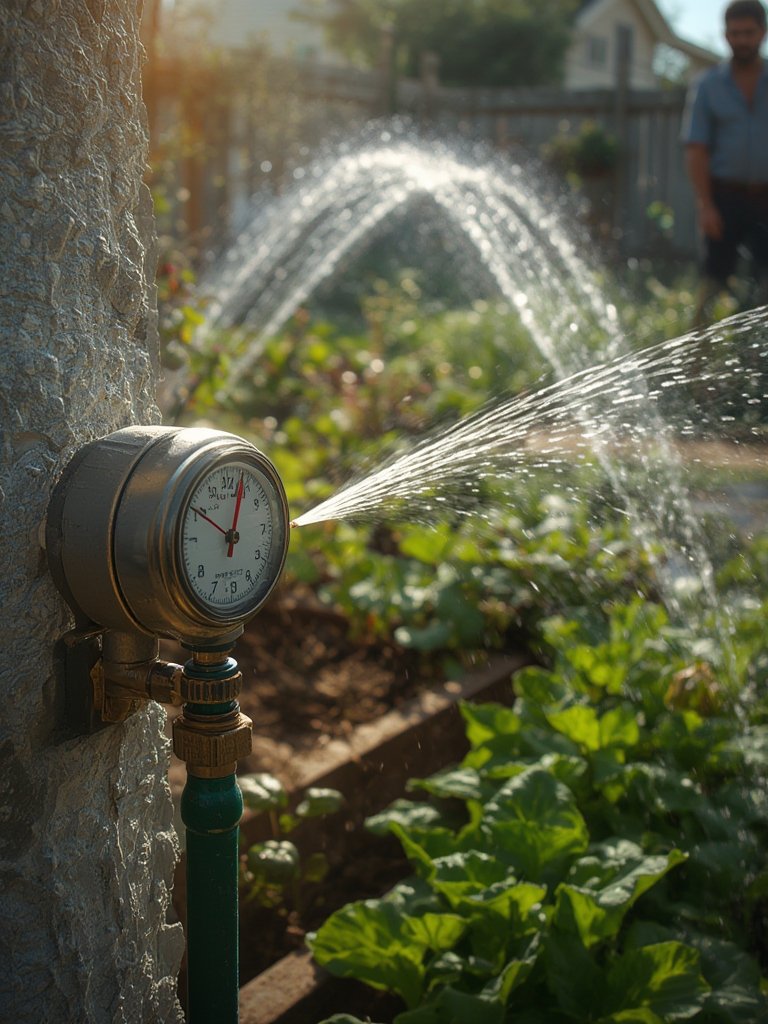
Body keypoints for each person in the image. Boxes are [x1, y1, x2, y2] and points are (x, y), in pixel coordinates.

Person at [682, 0, 768, 326]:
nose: (742, 40)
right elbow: (696, 148)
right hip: (725, 199)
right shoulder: (708, 86)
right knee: (711, 283)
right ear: (725, 35)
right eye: (735, 33)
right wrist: (705, 205)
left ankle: (759, 371)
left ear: (762, 33)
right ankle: (697, 369)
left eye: (748, 33)